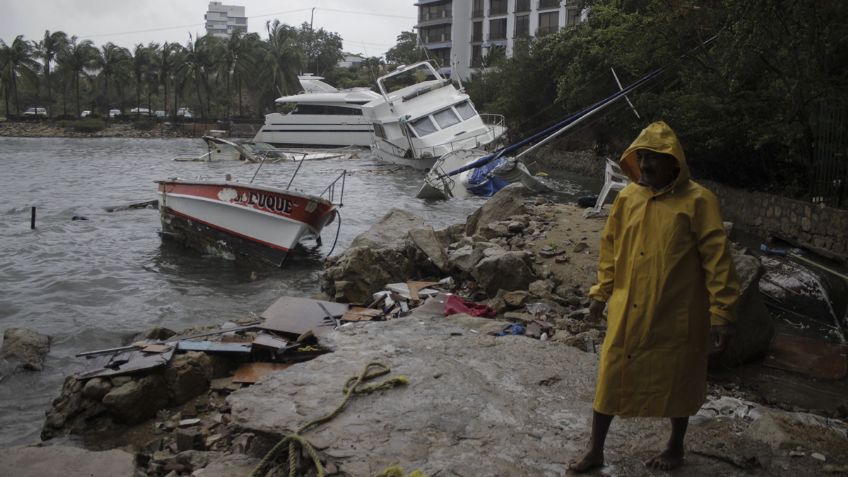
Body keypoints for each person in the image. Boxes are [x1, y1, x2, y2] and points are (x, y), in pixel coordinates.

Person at [569, 121, 740, 473]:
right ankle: (595, 448)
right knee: (611, 374)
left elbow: (717, 260)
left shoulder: (698, 202)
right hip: (627, 308)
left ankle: (675, 447)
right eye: (641, 157)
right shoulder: (628, 197)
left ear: (673, 162)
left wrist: (722, 312)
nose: (645, 166)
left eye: (653, 159)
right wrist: (600, 294)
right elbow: (610, 248)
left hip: (677, 311)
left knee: (680, 378)